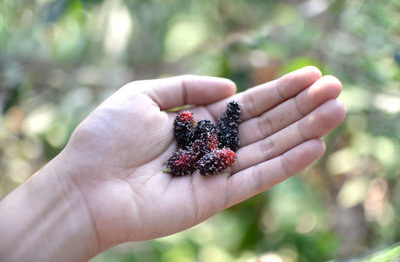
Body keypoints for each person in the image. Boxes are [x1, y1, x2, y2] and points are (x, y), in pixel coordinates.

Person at [0, 66, 346, 262]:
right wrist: (76, 190)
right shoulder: (193, 143)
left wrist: (72, 197)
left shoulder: (205, 140)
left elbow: (214, 143)